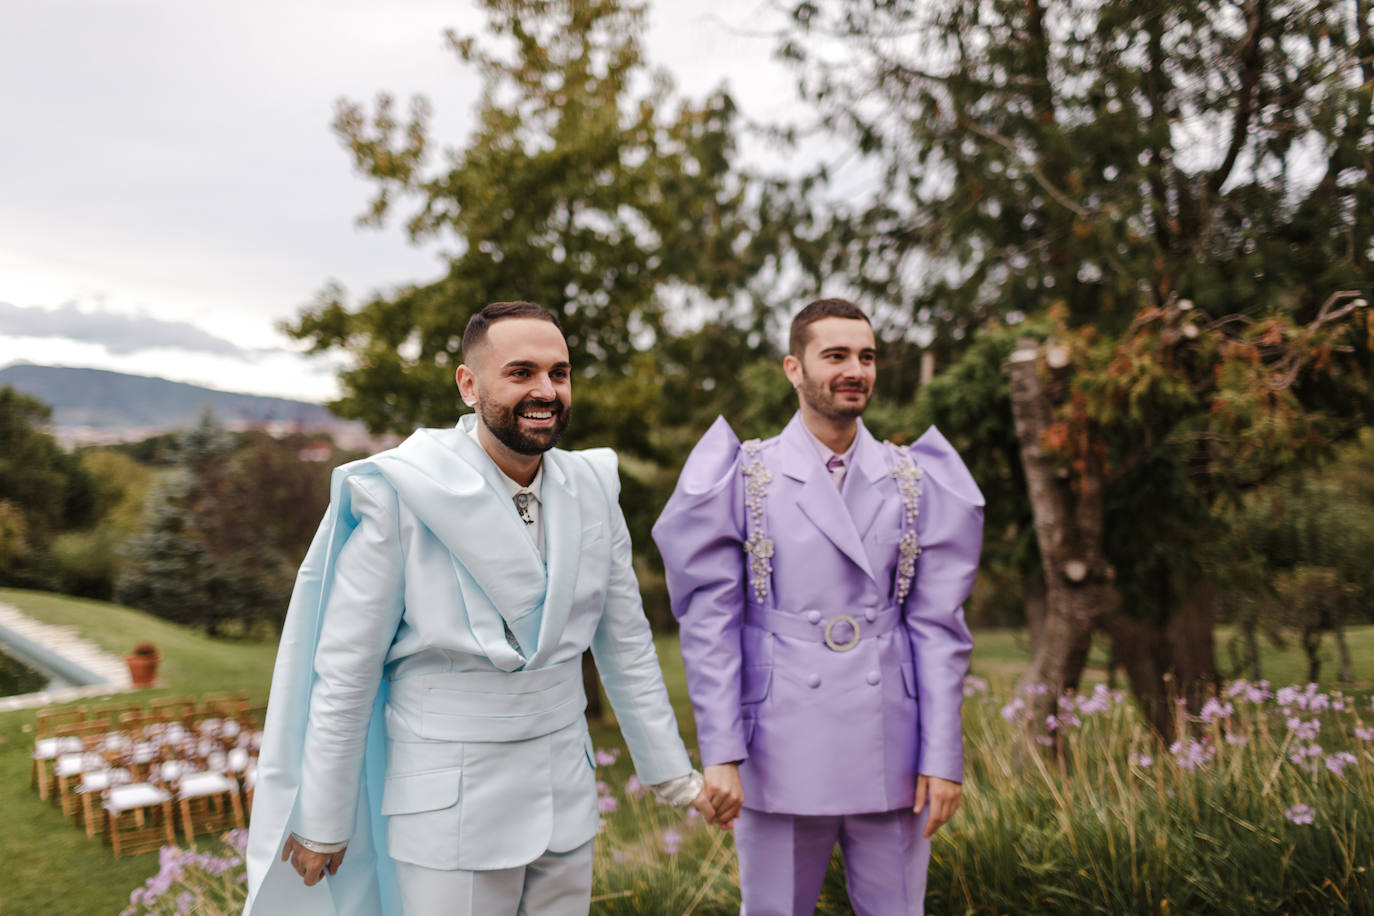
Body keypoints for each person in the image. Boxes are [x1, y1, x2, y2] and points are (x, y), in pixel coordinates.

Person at [245, 301, 712, 916]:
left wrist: (675, 777)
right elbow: (347, 669)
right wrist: (323, 819)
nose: (545, 390)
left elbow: (625, 644)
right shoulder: (399, 495)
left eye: (559, 373)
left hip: (566, 805)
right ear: (469, 385)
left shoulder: (595, 488)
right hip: (448, 815)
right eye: (520, 373)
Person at [652, 298, 983, 915]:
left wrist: (943, 758)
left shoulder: (914, 478)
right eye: (835, 356)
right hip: (777, 748)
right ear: (794, 368)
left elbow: (939, 629)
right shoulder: (744, 474)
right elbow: (709, 626)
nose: (854, 369)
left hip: (893, 746)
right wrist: (720, 753)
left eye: (866, 356)